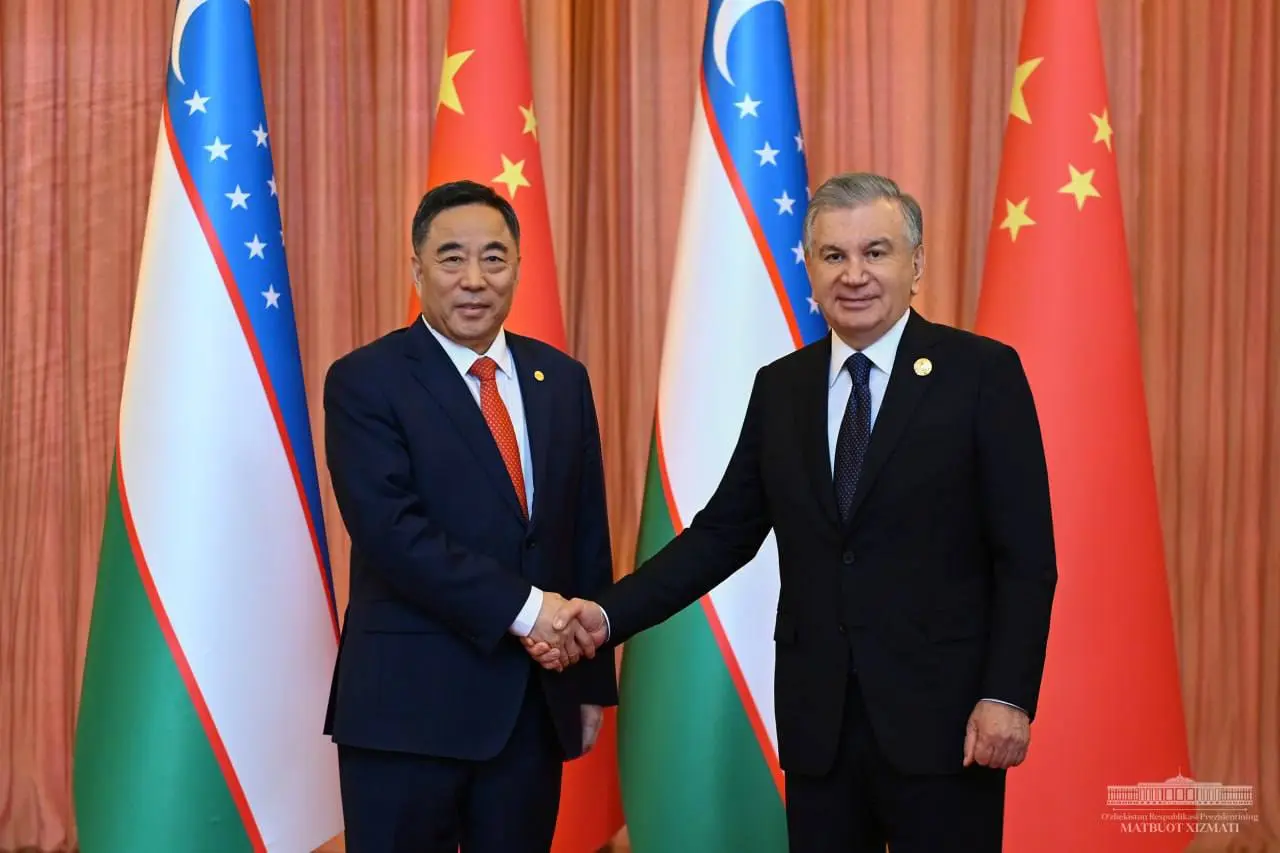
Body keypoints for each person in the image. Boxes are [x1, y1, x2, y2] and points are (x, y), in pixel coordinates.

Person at [530, 172, 1057, 852]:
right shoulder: (783, 388)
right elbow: (721, 536)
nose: (854, 274)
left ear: (916, 262)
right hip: (820, 727)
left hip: (948, 724)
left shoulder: (981, 374)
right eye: (833, 255)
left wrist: (1007, 695)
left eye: (875, 252)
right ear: (809, 266)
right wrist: (604, 616)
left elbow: (1025, 558)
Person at [321, 179, 617, 853]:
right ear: (417, 269)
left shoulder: (561, 379)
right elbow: (391, 533)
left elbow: (583, 535)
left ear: (518, 266)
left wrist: (588, 681)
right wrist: (529, 610)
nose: (475, 279)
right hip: (406, 714)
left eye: (494, 257)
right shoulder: (366, 380)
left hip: (530, 711)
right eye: (452, 258)